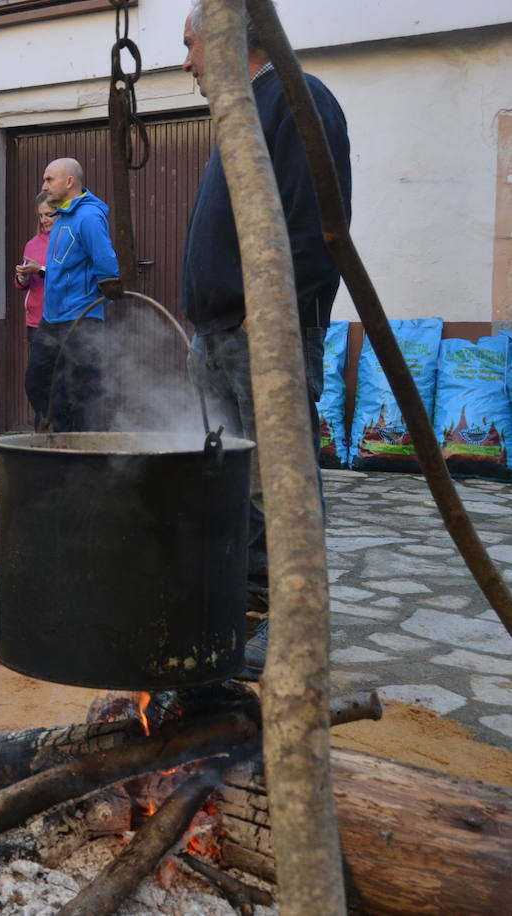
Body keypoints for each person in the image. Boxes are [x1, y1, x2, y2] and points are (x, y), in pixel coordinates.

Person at [180, 0, 351, 678]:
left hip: (264, 332)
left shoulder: (298, 100)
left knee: (276, 485)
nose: (186, 61)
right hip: (219, 334)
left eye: (190, 44)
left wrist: (272, 309)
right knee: (229, 481)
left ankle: (292, 624)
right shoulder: (242, 112)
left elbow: (317, 224)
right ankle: (248, 606)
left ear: (226, 39)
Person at [23, 158, 121, 432]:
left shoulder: (88, 217)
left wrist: (98, 297)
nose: (44, 185)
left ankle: (87, 451)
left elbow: (106, 263)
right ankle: (62, 434)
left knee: (84, 390)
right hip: (52, 318)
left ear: (69, 182)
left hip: (81, 318)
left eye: (49, 179)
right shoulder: (62, 215)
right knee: (37, 381)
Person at [14, 191, 55, 344]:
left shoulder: (67, 240)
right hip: (35, 320)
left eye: (48, 214)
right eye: (40, 215)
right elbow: (24, 284)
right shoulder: (32, 244)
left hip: (61, 319)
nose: (44, 220)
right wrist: (22, 276)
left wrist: (40, 270)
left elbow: (68, 275)